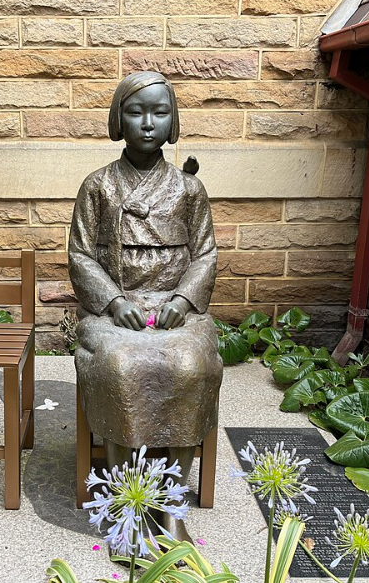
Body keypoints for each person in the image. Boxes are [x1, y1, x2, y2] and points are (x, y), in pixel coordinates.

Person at [69, 71, 223, 543]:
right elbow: (79, 254)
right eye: (136, 112)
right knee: (119, 364)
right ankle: (129, 500)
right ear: (118, 120)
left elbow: (206, 254)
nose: (148, 123)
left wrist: (183, 299)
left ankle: (170, 501)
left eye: (160, 112)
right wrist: (113, 301)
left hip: (178, 310)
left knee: (189, 364)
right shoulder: (97, 186)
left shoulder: (189, 190)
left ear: (174, 121)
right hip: (114, 311)